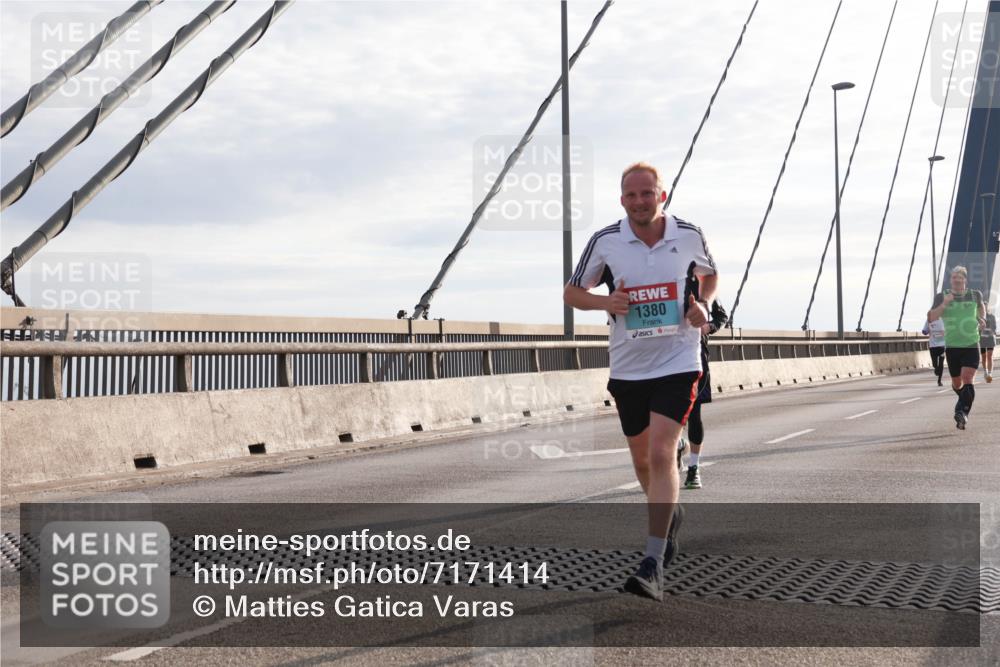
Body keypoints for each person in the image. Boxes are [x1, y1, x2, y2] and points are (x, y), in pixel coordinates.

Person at [564, 162, 717, 600]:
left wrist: (702, 305)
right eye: (631, 195)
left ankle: (653, 560)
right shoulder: (606, 241)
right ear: (621, 200)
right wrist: (604, 301)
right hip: (629, 366)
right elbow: (572, 293)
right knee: (644, 463)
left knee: (662, 449)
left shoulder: (687, 233)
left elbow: (710, 275)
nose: (639, 201)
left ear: (661, 196)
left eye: (647, 193)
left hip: (678, 358)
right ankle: (670, 515)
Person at [927, 266, 986, 429]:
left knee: (968, 379)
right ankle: (964, 400)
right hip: (952, 347)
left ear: (965, 280)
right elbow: (931, 317)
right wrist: (945, 303)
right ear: (951, 280)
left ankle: (962, 413)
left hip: (971, 344)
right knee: (957, 383)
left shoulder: (975, 295)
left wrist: (982, 318)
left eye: (960, 278)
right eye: (954, 277)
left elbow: (981, 306)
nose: (957, 280)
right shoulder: (942, 296)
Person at [681, 298, 728, 489]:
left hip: (695, 359)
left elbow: (721, 315)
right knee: (663, 413)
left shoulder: (702, 288)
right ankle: (677, 445)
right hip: (663, 358)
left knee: (694, 414)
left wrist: (709, 326)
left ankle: (693, 467)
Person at [921, 317, 946, 386]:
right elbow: (924, 330)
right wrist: (925, 332)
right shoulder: (929, 319)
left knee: (941, 363)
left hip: (942, 346)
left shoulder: (944, 319)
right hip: (933, 346)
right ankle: (936, 368)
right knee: (935, 364)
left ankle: (939, 381)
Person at [980, 307, 996, 383]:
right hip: (982, 339)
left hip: (990, 338)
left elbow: (994, 328)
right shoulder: (978, 317)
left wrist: (990, 331)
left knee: (989, 355)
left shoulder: (992, 316)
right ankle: (985, 371)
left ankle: (990, 374)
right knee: (984, 356)